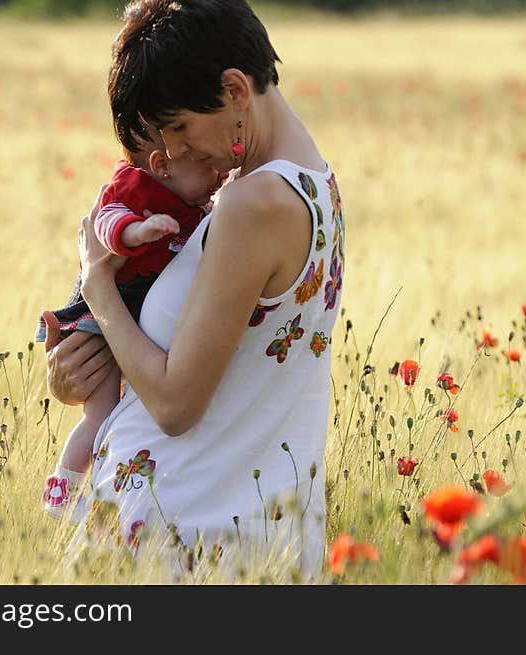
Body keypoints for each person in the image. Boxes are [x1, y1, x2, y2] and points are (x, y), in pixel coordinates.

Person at [44, 0, 345, 580]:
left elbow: (176, 405)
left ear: (235, 90)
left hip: (190, 541)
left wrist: (97, 289)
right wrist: (83, 369)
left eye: (179, 127)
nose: (175, 153)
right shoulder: (312, 182)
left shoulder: (253, 205)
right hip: (238, 534)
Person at [35, 131, 225, 518]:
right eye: (206, 165)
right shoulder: (135, 186)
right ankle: (62, 489)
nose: (217, 173)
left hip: (126, 315)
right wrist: (139, 231)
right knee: (99, 412)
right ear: (162, 165)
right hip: (103, 319)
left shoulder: (193, 200)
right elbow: (105, 222)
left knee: (116, 409)